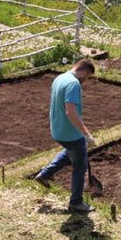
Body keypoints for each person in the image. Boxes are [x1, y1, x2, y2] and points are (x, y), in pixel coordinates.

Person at [34, 59, 99, 213]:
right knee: (80, 167)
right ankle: (76, 202)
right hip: (70, 133)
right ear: (83, 72)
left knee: (71, 152)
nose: (85, 80)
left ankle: (45, 174)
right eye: (87, 77)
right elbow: (70, 111)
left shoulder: (60, 78)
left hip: (58, 130)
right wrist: (86, 134)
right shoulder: (73, 84)